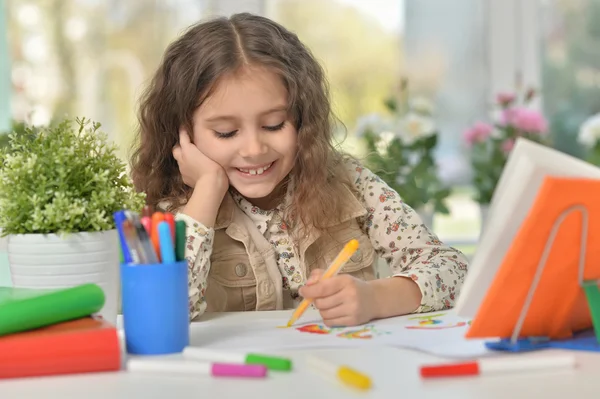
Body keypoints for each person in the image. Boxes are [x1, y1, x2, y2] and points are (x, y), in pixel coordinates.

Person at [130, 12, 469, 327]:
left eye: (274, 124)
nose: (253, 150)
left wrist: (375, 298)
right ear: (182, 133)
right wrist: (207, 188)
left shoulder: (348, 182)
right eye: (226, 133)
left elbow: (453, 270)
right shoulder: (172, 212)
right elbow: (162, 315)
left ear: (302, 119)